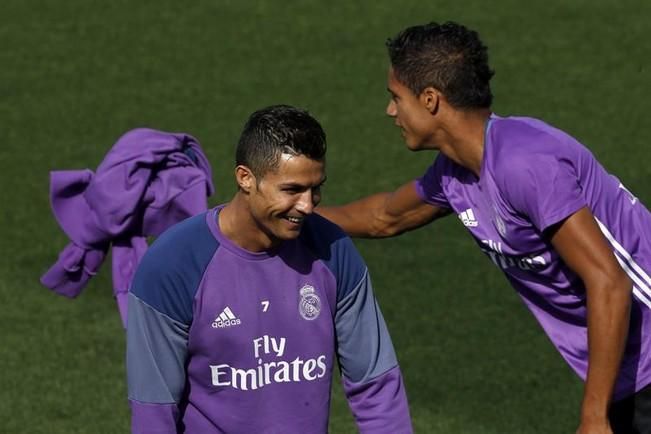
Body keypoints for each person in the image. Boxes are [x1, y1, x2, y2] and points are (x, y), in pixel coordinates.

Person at [317, 22, 651, 434]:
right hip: (624, 371)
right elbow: (386, 216)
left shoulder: (525, 162)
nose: (390, 111)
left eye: (395, 97)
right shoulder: (455, 174)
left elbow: (610, 283)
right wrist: (298, 212)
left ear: (430, 100)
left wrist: (592, 416)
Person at [126, 105, 413, 434]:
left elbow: (376, 385)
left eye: (315, 188)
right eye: (292, 190)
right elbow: (154, 410)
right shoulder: (173, 266)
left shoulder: (334, 251)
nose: (307, 205)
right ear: (245, 178)